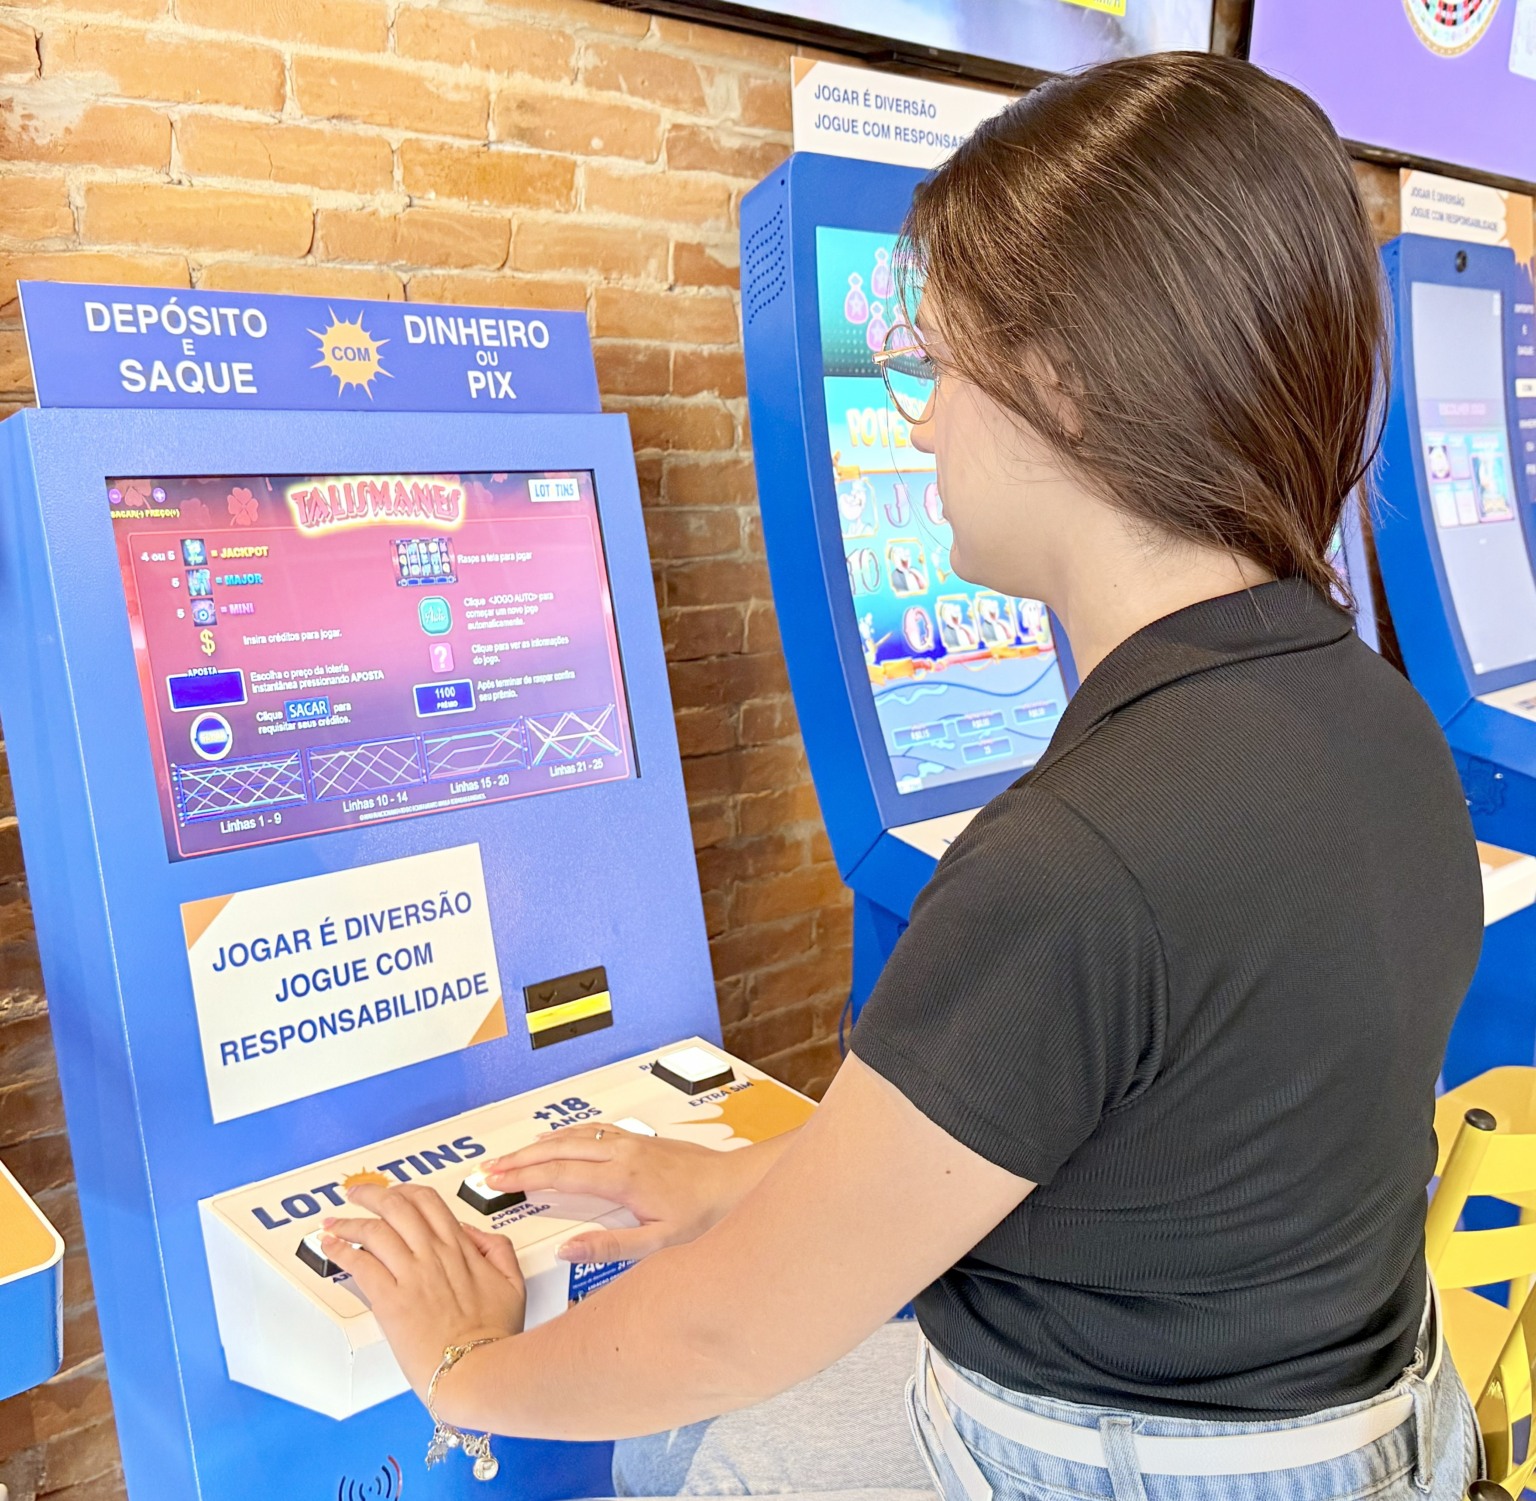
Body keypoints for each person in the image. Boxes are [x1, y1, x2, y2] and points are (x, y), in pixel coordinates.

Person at [321, 52, 1486, 1500]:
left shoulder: (1081, 853)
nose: (919, 421)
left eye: (938, 364)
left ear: (1067, 374)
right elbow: (1118, 1168)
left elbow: (727, 1332)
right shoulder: (1366, 721)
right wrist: (729, 1184)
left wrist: (460, 1361)